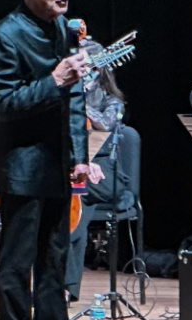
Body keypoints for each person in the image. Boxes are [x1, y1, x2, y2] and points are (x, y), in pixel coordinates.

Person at [0, 0, 96, 320]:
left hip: (56, 164)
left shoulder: (64, 29)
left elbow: (75, 97)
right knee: (16, 266)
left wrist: (80, 156)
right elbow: (5, 106)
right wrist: (53, 82)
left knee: (54, 262)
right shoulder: (5, 36)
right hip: (21, 168)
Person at [64, 71, 140, 303]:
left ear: (100, 73)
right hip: (75, 167)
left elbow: (106, 123)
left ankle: (64, 286)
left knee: (73, 197)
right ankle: (66, 288)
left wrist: (75, 100)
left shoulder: (112, 101)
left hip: (106, 171)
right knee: (73, 209)